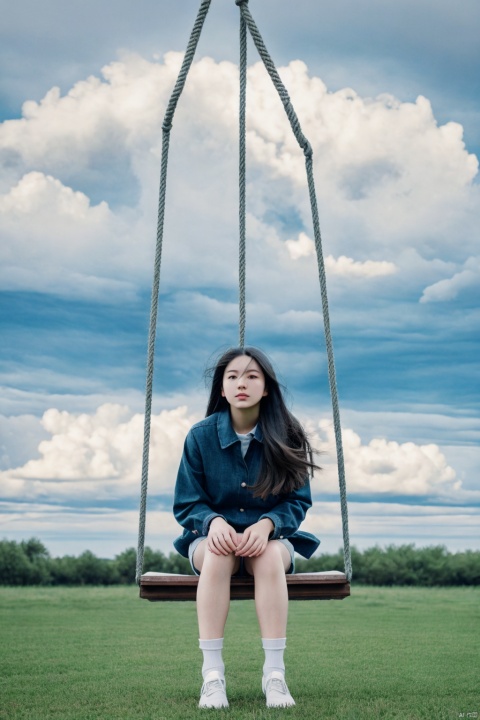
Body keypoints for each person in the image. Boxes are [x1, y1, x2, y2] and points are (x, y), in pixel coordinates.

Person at [173, 346, 320, 709]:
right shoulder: (200, 436)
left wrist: (268, 524)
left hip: (269, 542)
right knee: (218, 555)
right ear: (221, 389)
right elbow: (186, 501)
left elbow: (297, 502)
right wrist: (213, 521)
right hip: (210, 540)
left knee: (270, 558)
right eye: (233, 376)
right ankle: (212, 677)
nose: (242, 383)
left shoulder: (287, 434)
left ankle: (275, 675)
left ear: (266, 387)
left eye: (252, 376)